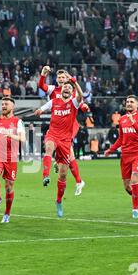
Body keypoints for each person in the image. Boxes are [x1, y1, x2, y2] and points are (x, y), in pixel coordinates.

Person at [34, 79, 84, 217]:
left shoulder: (74, 103)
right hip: (53, 134)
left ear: (72, 91)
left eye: (69, 87)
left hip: (65, 141)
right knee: (48, 148)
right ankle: (45, 176)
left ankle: (59, 201)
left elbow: (81, 96)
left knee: (63, 175)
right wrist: (39, 110)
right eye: (64, 87)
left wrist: (75, 82)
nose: (66, 88)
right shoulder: (54, 101)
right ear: (61, 89)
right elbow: (44, 107)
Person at [38, 66, 86, 196]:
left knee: (69, 154)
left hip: (70, 125)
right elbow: (42, 86)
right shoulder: (54, 89)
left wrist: (84, 106)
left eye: (63, 77)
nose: (61, 79)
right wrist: (43, 75)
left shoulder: (71, 89)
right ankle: (78, 181)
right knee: (67, 154)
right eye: (59, 77)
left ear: (67, 78)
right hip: (57, 125)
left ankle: (76, 179)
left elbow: (78, 101)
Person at [105, 95, 138, 219]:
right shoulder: (122, 119)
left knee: (135, 179)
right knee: (127, 186)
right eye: (127, 102)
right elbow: (121, 138)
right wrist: (111, 149)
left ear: (137, 105)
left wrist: (133, 122)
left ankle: (135, 210)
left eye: (132, 102)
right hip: (126, 155)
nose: (129, 104)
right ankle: (137, 195)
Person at [0, 97, 26, 223]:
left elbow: (23, 139)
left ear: (13, 107)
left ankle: (7, 213)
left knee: (9, 186)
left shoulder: (18, 122)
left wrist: (11, 135)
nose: (3, 106)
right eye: (2, 104)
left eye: (6, 104)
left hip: (11, 158)